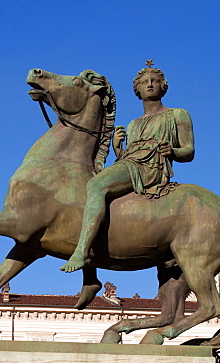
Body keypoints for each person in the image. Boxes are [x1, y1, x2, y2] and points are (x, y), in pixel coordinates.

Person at [61, 61, 195, 274]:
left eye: (155, 81)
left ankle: (81, 251)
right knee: (86, 188)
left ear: (163, 86)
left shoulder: (177, 114)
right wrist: (118, 148)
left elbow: (189, 151)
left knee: (96, 186)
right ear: (137, 90)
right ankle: (91, 274)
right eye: (144, 82)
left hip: (151, 168)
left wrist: (173, 151)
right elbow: (128, 159)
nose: (150, 84)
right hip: (131, 165)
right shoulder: (133, 124)